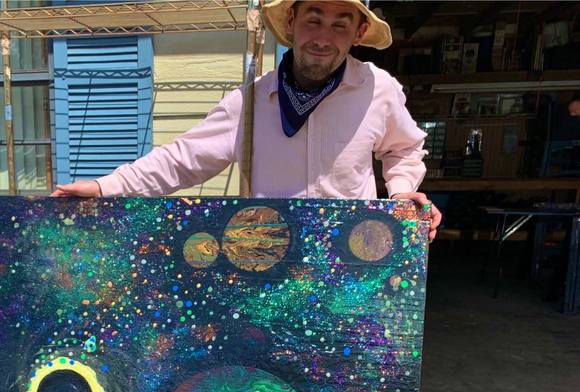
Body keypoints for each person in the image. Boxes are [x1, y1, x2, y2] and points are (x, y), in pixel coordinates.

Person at [52, 0, 441, 241]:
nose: (323, 38)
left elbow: (404, 148)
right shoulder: (251, 102)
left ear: (358, 32)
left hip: (349, 260)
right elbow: (181, 159)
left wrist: (402, 193)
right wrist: (107, 187)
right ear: (292, 21)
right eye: (314, 19)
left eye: (340, 24)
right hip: (267, 258)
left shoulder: (377, 90)